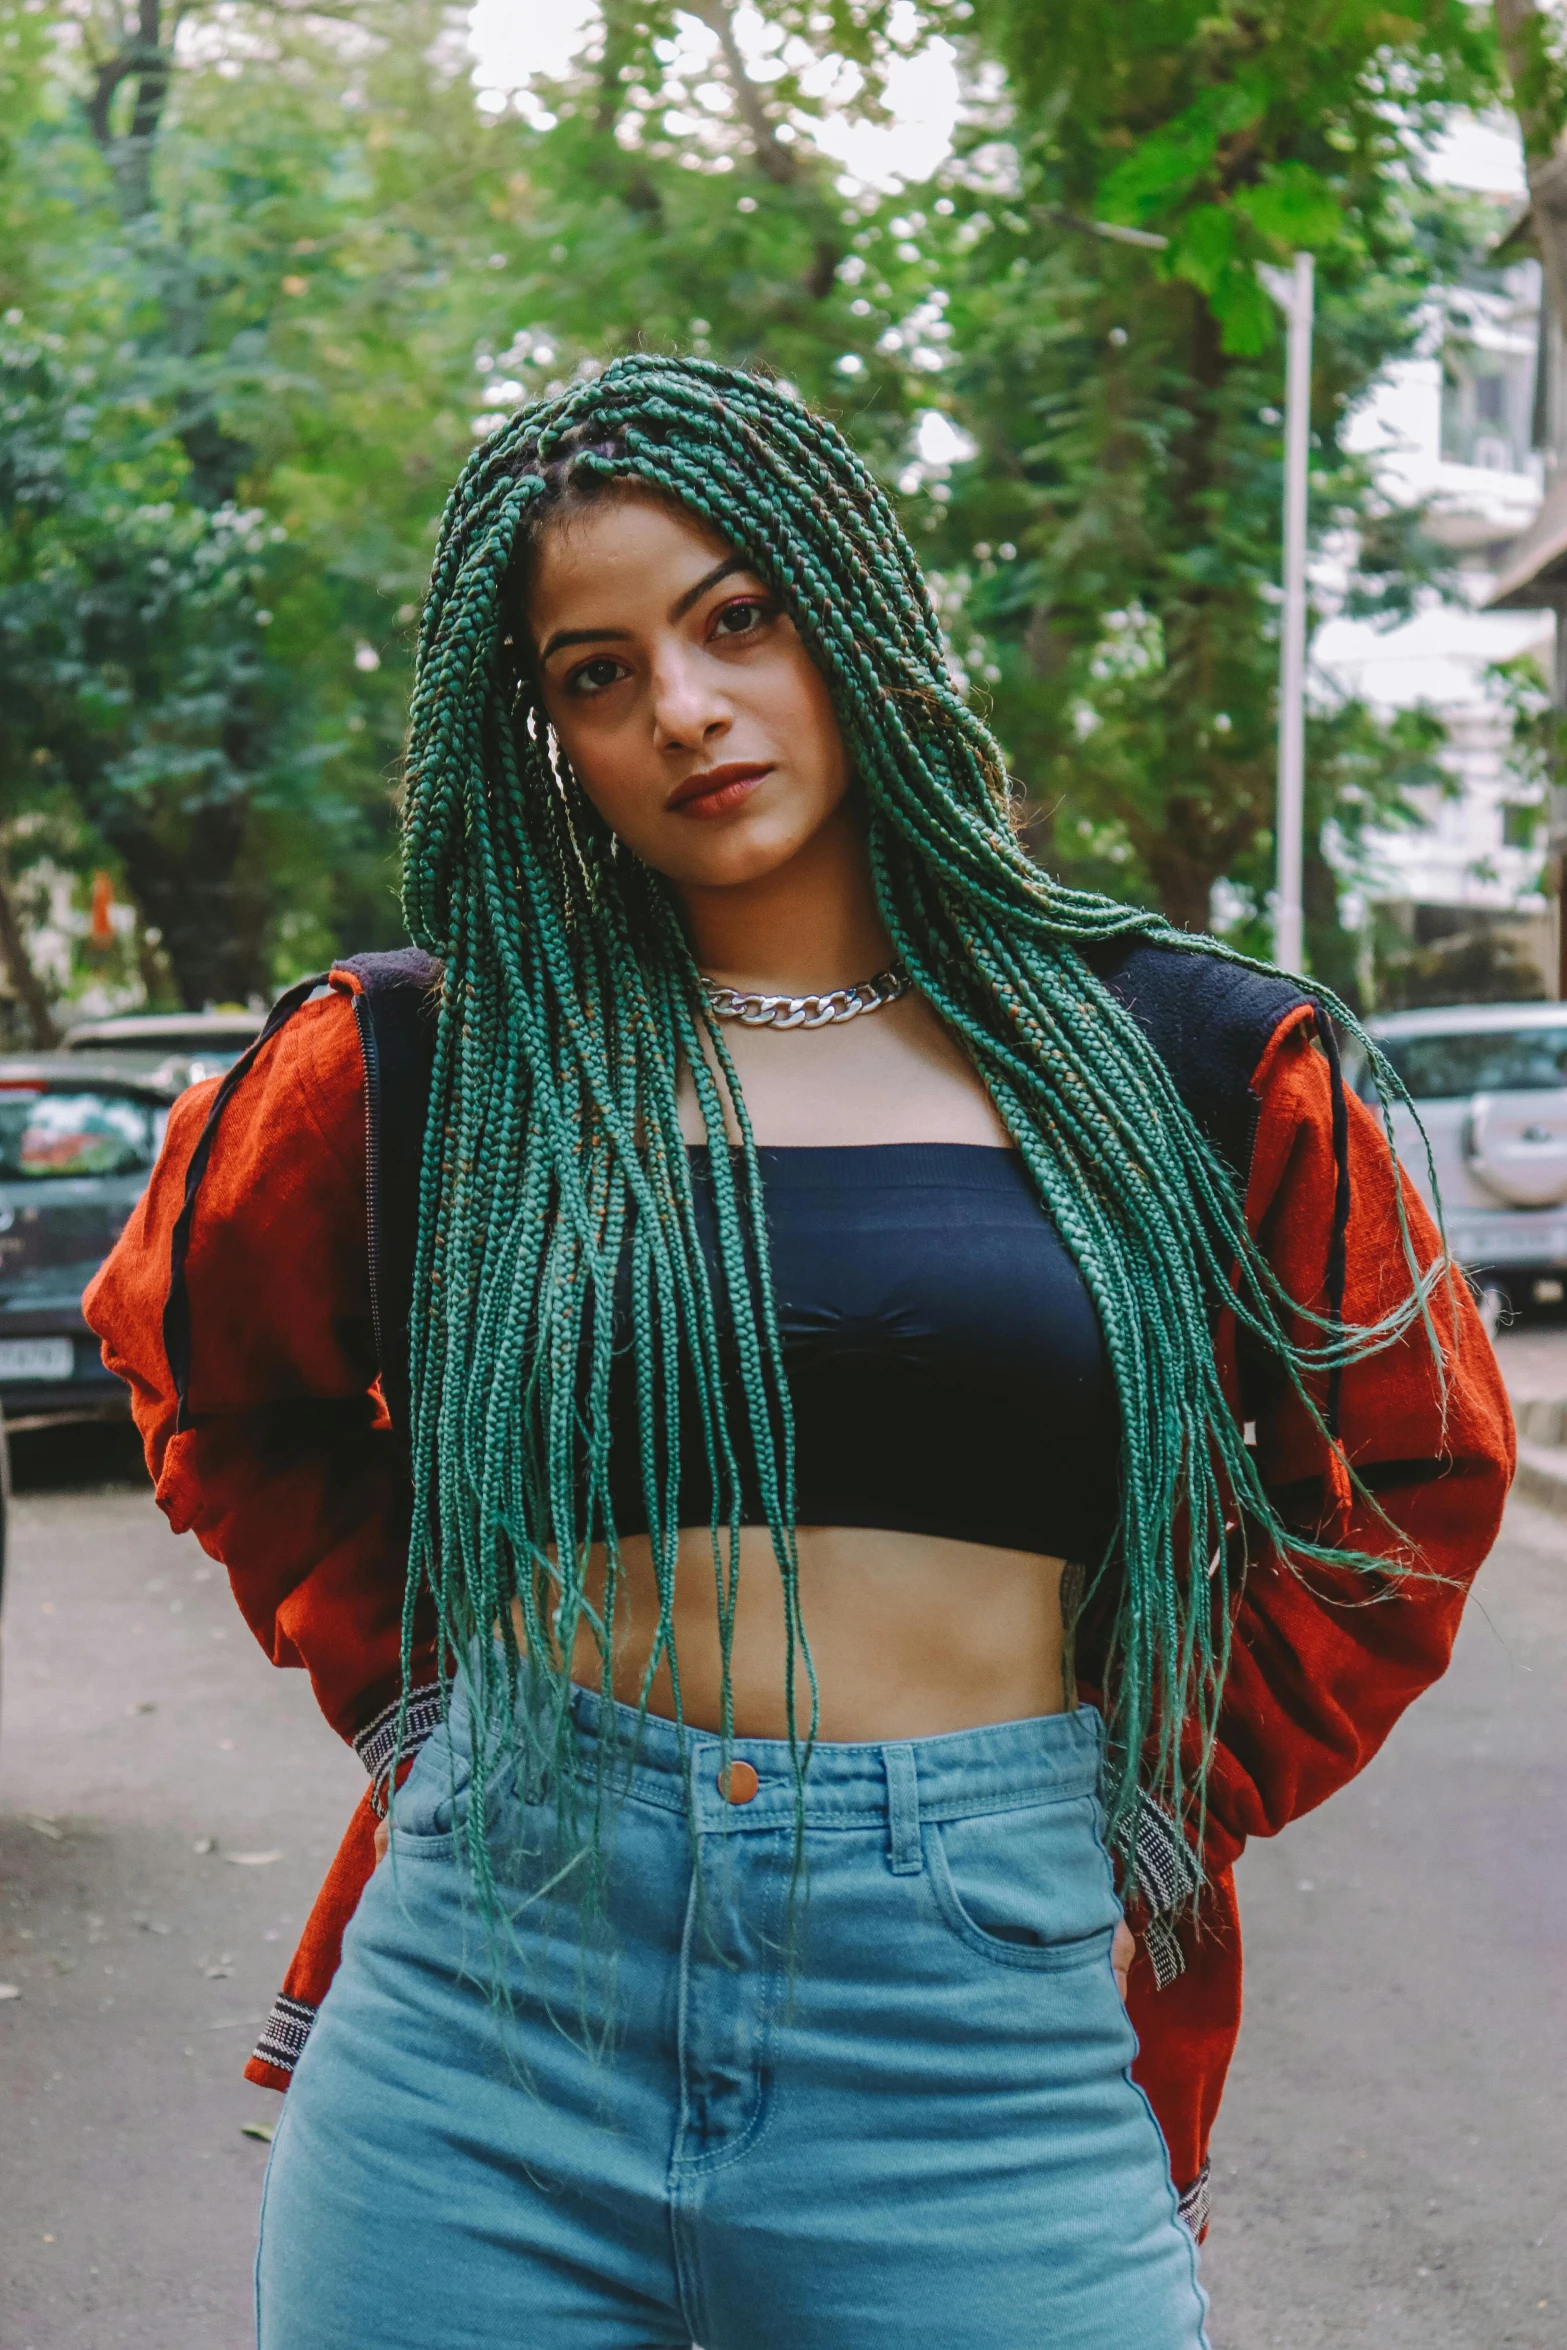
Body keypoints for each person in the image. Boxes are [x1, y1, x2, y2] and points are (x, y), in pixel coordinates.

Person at [86, 356, 1512, 2350]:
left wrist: (1170, 1795)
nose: (681, 706)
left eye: (736, 616)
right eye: (595, 669)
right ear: (545, 734)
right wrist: (418, 1700)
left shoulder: (1190, 1064)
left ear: (851, 612)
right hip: (500, 2008)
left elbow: (1410, 1467)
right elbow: (206, 1369)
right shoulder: (429, 1061)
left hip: (977, 2023)